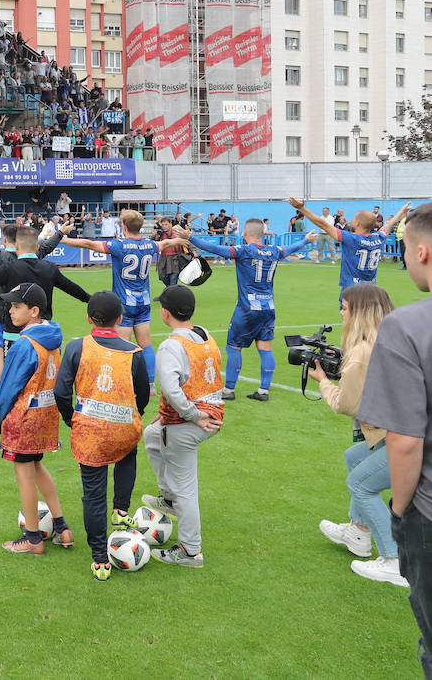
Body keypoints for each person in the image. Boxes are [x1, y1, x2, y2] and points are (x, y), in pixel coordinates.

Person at [358, 201, 432, 675]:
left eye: (402, 249)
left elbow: (404, 440)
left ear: (422, 252)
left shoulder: (407, 326)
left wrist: (400, 511)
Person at [164, 220, 317, 402]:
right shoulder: (275, 251)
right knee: (265, 348)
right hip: (268, 307)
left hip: (247, 308)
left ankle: (229, 390)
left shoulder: (244, 251)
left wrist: (190, 237)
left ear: (245, 232)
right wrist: (306, 240)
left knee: (234, 346)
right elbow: (291, 248)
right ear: (262, 234)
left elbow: (216, 249)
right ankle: (263, 391)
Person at [54, 291, 150, 580]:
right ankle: (120, 510)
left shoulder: (76, 347)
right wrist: (130, 416)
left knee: (93, 495)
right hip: (123, 428)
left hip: (90, 432)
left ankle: (100, 559)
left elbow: (61, 391)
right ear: (120, 319)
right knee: (127, 453)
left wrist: (70, 417)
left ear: (88, 318)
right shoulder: (134, 352)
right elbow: (142, 395)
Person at [312, 284, 404, 586]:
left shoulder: (363, 351)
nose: (341, 312)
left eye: (345, 307)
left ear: (359, 313)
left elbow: (346, 404)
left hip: (406, 436)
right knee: (354, 456)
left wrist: (323, 380)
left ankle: (394, 560)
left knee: (360, 484)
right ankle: (359, 531)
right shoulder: (390, 339)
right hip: (404, 429)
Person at [0, 226, 90, 414]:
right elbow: (73, 288)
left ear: (16, 245)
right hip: (44, 335)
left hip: (14, 336)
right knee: (43, 382)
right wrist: (93, 301)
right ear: (36, 247)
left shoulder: (10, 268)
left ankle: (11, 422)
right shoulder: (49, 268)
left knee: (14, 381)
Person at [141, 285, 224, 568]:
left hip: (190, 422)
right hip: (210, 414)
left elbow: (171, 389)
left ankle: (191, 551)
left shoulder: (170, 346)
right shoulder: (205, 335)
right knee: (152, 435)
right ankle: (168, 497)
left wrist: (190, 415)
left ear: (165, 312)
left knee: (186, 489)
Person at [0, 282, 73, 554]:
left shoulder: (24, 345)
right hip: (45, 414)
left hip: (24, 416)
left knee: (24, 474)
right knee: (37, 467)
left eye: (17, 306)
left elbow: (8, 386)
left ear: (34, 311)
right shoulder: (53, 336)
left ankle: (33, 539)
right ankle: (62, 528)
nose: (11, 311)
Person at [60, 210, 161, 381]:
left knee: (123, 345)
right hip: (144, 300)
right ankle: (150, 383)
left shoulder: (119, 245)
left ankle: (123, 380)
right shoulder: (150, 245)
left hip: (124, 302)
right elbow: (167, 243)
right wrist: (184, 239)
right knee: (146, 344)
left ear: (124, 226)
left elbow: (88, 244)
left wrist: (62, 239)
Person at [289, 198, 410, 305]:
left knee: (351, 326)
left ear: (357, 223)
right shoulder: (378, 238)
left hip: (352, 291)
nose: (351, 221)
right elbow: (389, 225)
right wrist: (400, 212)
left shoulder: (352, 238)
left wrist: (302, 208)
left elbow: (323, 225)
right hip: (371, 291)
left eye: (353, 220)